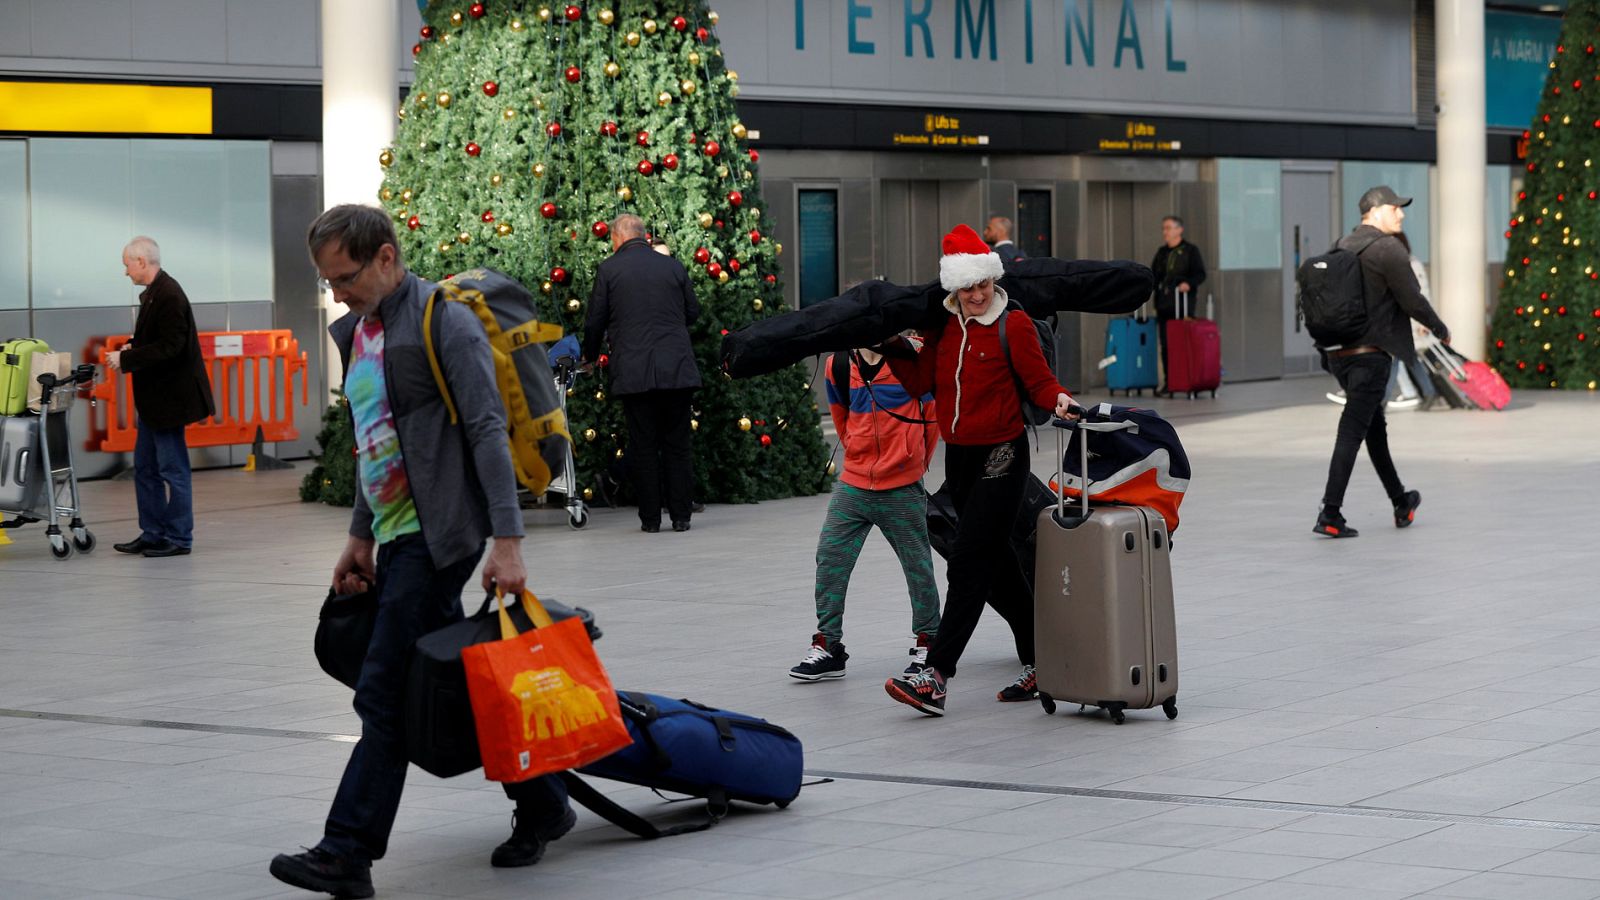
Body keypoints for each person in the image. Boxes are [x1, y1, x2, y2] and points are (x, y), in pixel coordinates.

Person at [270, 205, 573, 899]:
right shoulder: (362, 332)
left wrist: (507, 541)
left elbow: (489, 434)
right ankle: (545, 801)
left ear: (385, 257)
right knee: (441, 683)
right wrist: (358, 534)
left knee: (384, 692)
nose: (336, 293)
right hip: (394, 532)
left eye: (344, 277)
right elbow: (373, 440)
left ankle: (347, 851)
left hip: (439, 538)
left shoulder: (445, 323)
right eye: (327, 281)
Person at [880, 224, 1078, 717]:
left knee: (969, 560)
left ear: (993, 279)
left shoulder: (1013, 324)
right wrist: (883, 350)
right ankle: (1043, 660)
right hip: (961, 457)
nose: (975, 294)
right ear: (953, 287)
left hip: (1003, 455)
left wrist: (1060, 400)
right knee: (997, 566)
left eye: (982, 284)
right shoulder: (941, 328)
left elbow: (1038, 379)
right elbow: (921, 385)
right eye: (967, 286)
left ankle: (936, 675)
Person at [790, 342, 941, 681]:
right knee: (829, 558)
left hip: (902, 483)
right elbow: (840, 418)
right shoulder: (839, 364)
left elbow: (932, 416)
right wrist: (860, 457)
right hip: (854, 483)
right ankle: (829, 645)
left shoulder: (912, 357)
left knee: (917, 566)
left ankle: (928, 642)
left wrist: (913, 462)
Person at [1314, 186, 1450, 539]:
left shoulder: (1341, 244)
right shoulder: (1387, 248)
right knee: (1351, 432)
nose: (1401, 215)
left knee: (1375, 430)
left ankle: (1401, 500)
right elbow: (1412, 299)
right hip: (1369, 357)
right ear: (1375, 211)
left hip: (1339, 355)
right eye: (1395, 208)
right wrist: (1440, 328)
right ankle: (1330, 513)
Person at [583, 214, 702, 533]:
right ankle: (681, 516)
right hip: (677, 369)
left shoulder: (609, 269)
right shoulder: (673, 266)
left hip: (634, 372)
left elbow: (595, 320)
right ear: (645, 236)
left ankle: (650, 519)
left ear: (616, 239)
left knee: (644, 444)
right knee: (678, 443)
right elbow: (692, 312)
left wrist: (590, 355)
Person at [108, 236, 215, 559]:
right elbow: (157, 339)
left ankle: (180, 537)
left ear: (142, 262)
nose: (125, 271)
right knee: (145, 468)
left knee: (172, 469)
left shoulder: (168, 295)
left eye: (127, 263)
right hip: (155, 403)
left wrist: (126, 360)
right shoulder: (156, 294)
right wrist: (133, 344)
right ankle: (153, 533)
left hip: (169, 401)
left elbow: (172, 346)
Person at [1149, 215, 1207, 393]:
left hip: (1182, 306)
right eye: (1163, 228)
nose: (1165, 232)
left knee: (1183, 344)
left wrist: (1188, 284)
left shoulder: (1190, 251)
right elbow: (1153, 276)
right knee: (1166, 345)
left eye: (1168, 228)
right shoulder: (1161, 253)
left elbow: (1200, 274)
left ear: (1179, 229)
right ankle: (1170, 382)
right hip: (1164, 305)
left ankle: (1187, 380)